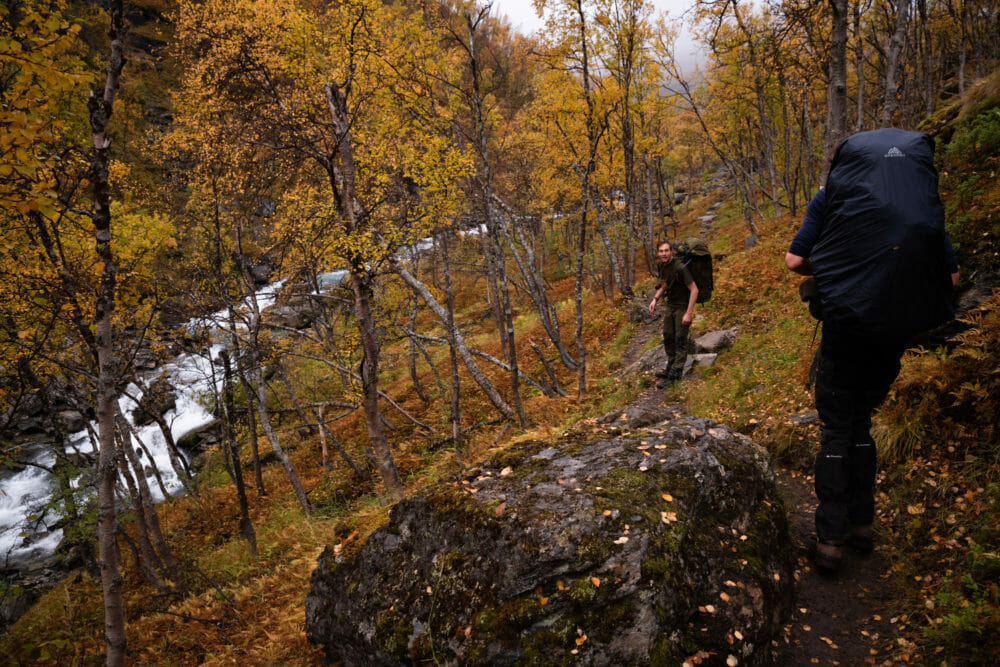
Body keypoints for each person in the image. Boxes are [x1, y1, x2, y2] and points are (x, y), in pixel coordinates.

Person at [786, 186, 959, 572]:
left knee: (836, 429)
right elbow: (951, 273)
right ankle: (862, 525)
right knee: (862, 423)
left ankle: (831, 539)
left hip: (845, 331)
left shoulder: (830, 198)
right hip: (891, 335)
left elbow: (795, 261)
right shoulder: (916, 199)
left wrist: (838, 264)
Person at [648, 240, 698, 388]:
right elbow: (665, 284)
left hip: (682, 306)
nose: (664, 254)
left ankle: (675, 376)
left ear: (671, 252)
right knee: (668, 337)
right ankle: (670, 367)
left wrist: (688, 313)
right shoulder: (663, 266)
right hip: (670, 306)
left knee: (679, 341)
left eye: (666, 251)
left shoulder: (679, 267)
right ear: (658, 253)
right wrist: (655, 299)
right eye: (661, 251)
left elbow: (694, 290)